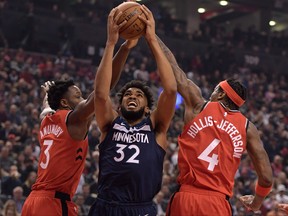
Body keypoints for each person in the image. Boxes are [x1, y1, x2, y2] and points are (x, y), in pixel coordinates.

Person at [155, 37, 273, 215]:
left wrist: (152, 35)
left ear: (221, 94)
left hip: (186, 197)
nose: (211, 93)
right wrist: (256, 202)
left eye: (215, 89)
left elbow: (174, 69)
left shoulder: (198, 106)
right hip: (217, 204)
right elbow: (266, 177)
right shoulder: (248, 128)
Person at [21, 41, 138, 216]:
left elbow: (46, 109)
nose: (83, 99)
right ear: (64, 103)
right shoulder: (73, 119)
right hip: (53, 204)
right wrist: (124, 48)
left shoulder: (47, 120)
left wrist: (47, 97)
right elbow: (101, 91)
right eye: (78, 96)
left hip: (32, 202)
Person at [88, 5, 177, 216]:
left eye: (138, 95)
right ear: (119, 107)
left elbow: (171, 89)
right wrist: (113, 44)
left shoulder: (156, 128)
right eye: (128, 94)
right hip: (106, 205)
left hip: (140, 208)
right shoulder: (110, 124)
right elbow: (100, 94)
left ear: (147, 108)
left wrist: (152, 40)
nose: (132, 97)